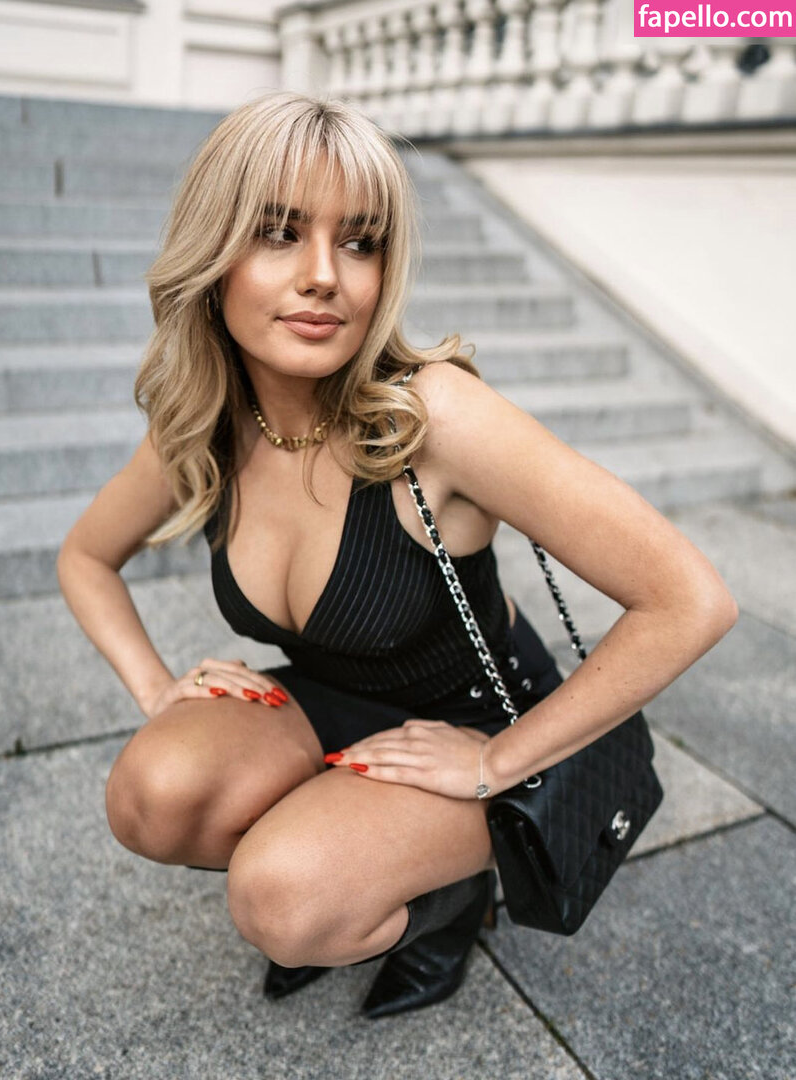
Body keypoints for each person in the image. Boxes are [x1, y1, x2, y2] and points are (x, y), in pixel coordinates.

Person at [56, 90, 738, 1020]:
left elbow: (689, 598)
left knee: (283, 900)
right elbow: (86, 558)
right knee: (152, 794)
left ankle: (452, 901)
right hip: (333, 701)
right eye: (278, 233)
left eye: (360, 242)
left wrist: (496, 763)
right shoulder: (208, 423)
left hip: (479, 722)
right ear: (211, 256)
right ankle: (359, 849)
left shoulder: (434, 416)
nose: (322, 276)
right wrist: (155, 688)